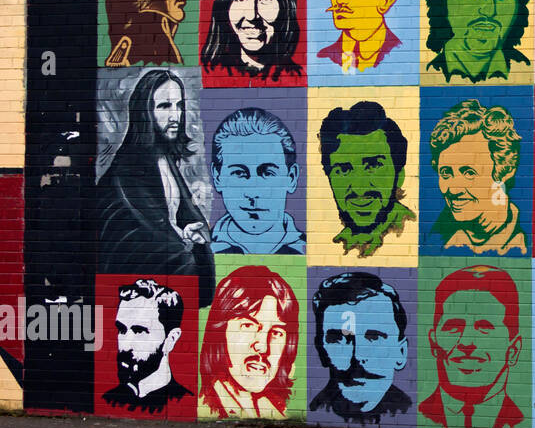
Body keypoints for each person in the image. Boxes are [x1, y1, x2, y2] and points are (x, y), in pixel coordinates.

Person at [98, 70, 215, 308]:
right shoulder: (128, 169)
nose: (175, 116)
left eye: (179, 105)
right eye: (164, 106)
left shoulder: (164, 159)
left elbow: (175, 222)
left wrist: (193, 240)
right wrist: (183, 242)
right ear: (145, 113)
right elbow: (140, 237)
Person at [419, 266, 525, 428]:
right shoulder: (419, 412)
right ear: (433, 343)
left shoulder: (521, 420)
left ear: (513, 350)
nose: (467, 342)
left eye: (485, 327)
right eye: (453, 326)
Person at [309, 272, 411, 425]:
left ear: (401, 353)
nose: (358, 355)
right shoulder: (315, 410)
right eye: (339, 339)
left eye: (374, 337)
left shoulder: (409, 410)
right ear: (321, 350)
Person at [198, 266, 299, 420]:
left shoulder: (273, 411)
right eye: (248, 326)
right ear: (220, 332)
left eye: (277, 332)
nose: (263, 347)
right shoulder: (209, 409)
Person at [428, 99, 527, 255]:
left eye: (469, 173)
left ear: (506, 170)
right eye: (446, 173)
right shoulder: (434, 240)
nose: (453, 190)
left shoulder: (527, 238)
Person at [318, 101, 415, 258]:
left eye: (374, 165)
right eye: (343, 170)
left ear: (399, 176)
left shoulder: (413, 231)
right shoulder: (337, 245)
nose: (359, 189)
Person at [210, 108, 305, 256]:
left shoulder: (307, 251)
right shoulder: (200, 254)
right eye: (239, 173)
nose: (253, 193)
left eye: (268, 173)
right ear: (217, 177)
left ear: (291, 178)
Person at [102, 278, 192, 414]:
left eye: (139, 331)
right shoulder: (108, 401)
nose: (125, 346)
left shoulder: (184, 401)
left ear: (171, 340)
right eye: (122, 330)